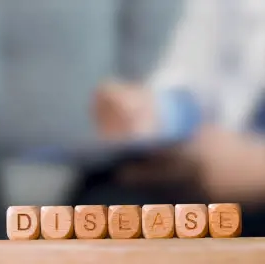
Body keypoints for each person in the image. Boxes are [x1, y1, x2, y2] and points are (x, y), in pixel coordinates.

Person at [92, 0, 265, 235]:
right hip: (202, 162)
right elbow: (192, 83)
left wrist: (255, 169)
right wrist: (152, 112)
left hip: (243, 184)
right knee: (104, 202)